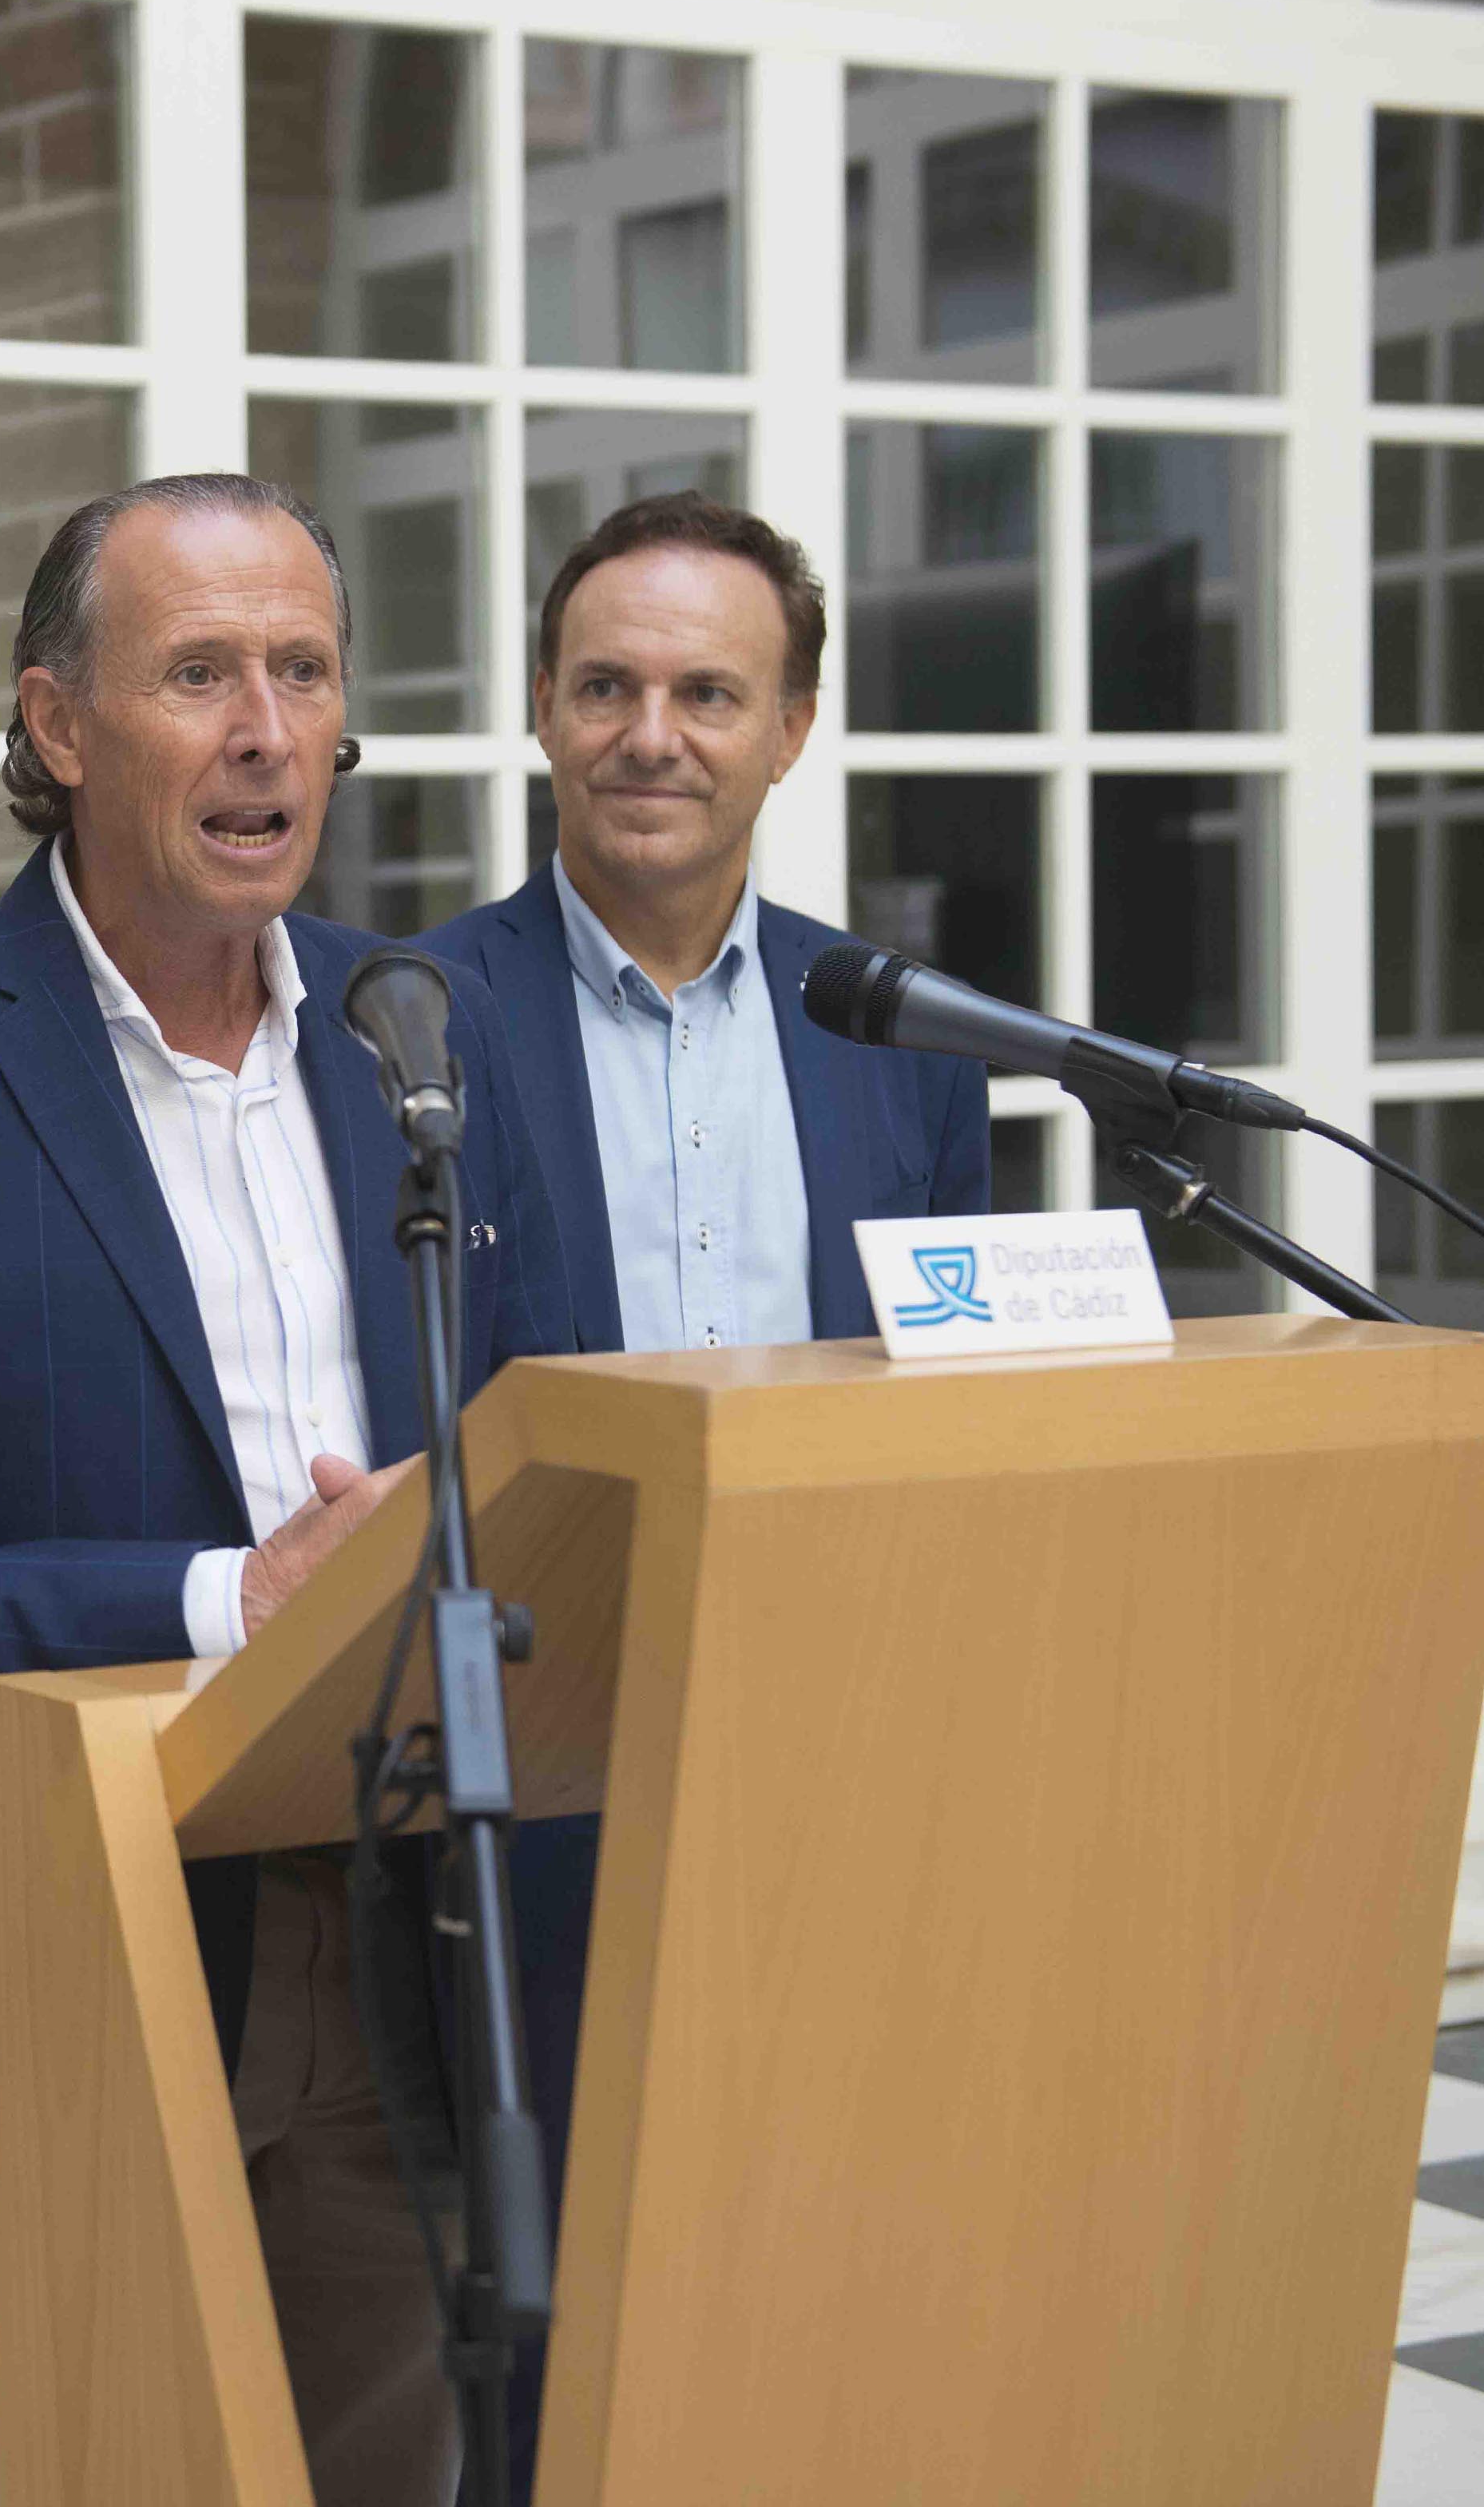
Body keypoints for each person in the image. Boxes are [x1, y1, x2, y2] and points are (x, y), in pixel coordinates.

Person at [0, 474, 576, 2507]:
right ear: (57, 724)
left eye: (302, 670)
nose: (266, 728)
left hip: (408, 1951)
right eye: (198, 673)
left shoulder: (428, 1032)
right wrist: (223, 1600)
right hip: (70, 1951)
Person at [413, 490, 989, 2499]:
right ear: (544, 714)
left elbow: (944, 1400)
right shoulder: (405, 1021)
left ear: (794, 726)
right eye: (609, 686)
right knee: (550, 2347)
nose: (653, 734)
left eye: (708, 691)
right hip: (542, 1783)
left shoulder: (898, 1038)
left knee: (826, 2293)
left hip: (842, 1761)